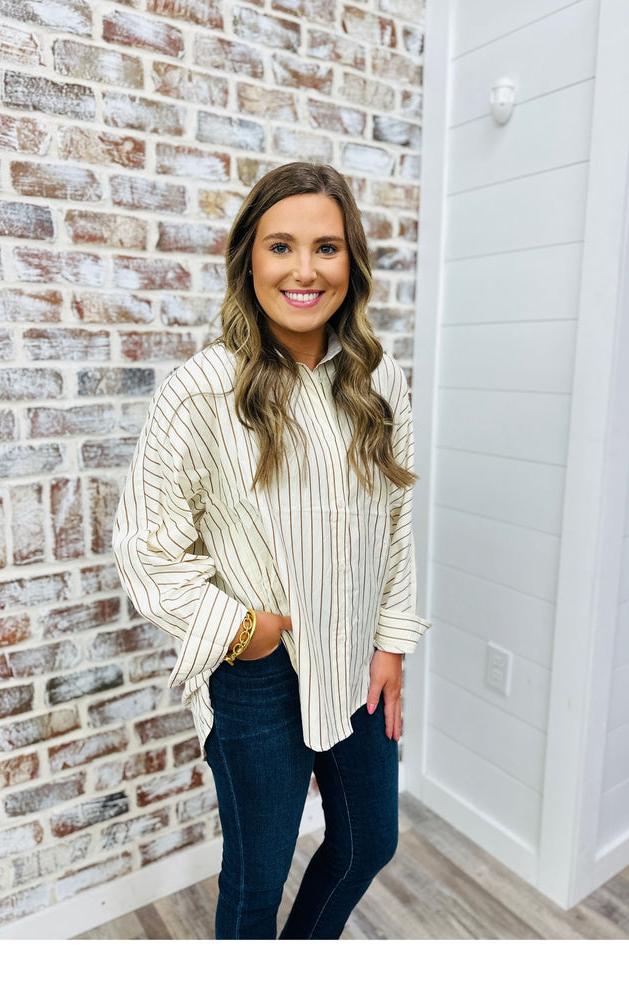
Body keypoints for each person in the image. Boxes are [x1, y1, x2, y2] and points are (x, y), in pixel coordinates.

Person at [113, 161, 431, 940]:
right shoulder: (203, 389)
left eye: (326, 247)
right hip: (256, 674)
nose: (304, 270)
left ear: (351, 261)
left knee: (368, 841)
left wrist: (391, 642)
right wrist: (241, 629)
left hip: (356, 658)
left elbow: (396, 518)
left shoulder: (380, 380)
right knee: (257, 877)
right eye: (280, 246)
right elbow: (145, 547)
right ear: (248, 260)